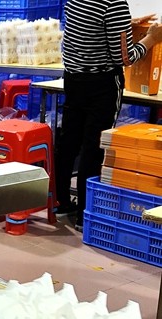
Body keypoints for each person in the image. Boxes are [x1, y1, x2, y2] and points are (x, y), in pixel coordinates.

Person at [55, 4, 162, 232]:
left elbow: (89, 31)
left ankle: (60, 202)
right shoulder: (114, 4)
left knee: (69, 142)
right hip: (102, 85)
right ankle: (86, 214)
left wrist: (125, 26)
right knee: (95, 146)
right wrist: (151, 38)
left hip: (73, 79)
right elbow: (125, 57)